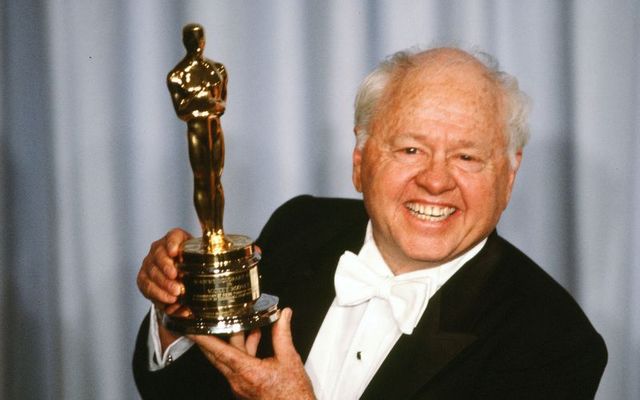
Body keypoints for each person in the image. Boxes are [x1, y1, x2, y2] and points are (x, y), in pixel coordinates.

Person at [133, 47, 607, 399]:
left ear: (509, 174)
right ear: (359, 162)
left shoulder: (554, 341)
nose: (436, 181)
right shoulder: (299, 226)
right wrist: (177, 313)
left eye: (467, 156)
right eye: (410, 150)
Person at [167, 24, 229, 252]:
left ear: (203, 40)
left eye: (198, 37)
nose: (195, 42)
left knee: (217, 180)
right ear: (185, 41)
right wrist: (204, 103)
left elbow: (221, 104)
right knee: (203, 181)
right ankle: (207, 232)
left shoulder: (218, 69)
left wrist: (208, 104)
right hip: (197, 131)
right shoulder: (177, 76)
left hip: (215, 129)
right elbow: (181, 109)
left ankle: (218, 233)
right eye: (190, 38)